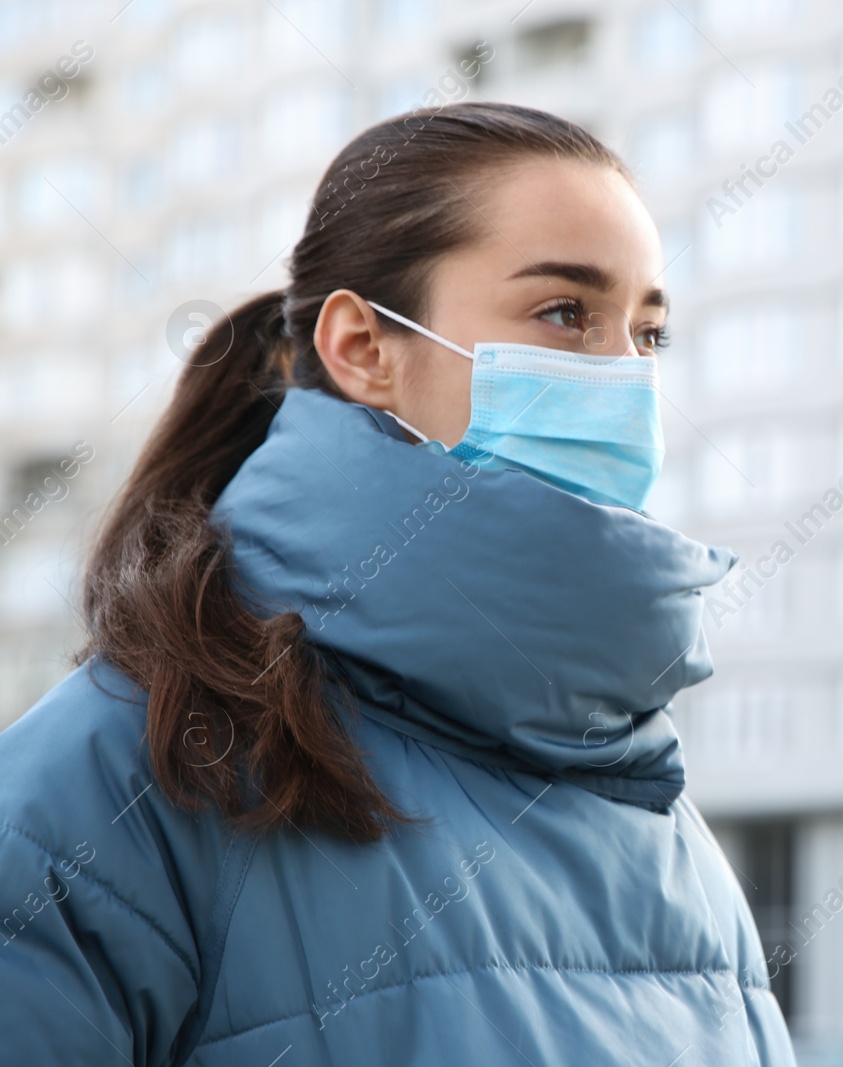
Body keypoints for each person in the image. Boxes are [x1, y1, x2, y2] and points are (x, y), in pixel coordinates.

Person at [0, 102, 794, 1066]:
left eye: (649, 333)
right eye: (565, 313)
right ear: (364, 349)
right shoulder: (111, 781)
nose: (623, 374)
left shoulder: (662, 826)